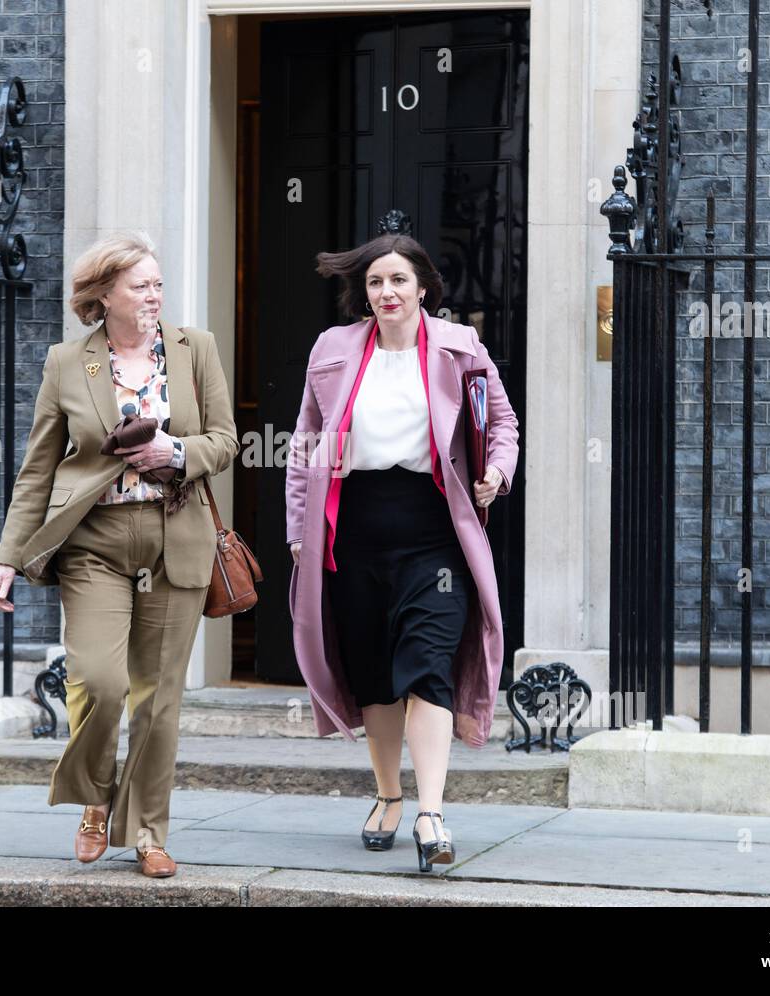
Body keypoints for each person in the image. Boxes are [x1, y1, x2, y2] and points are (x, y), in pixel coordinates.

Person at [0, 232, 238, 878]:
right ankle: (94, 797)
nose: (154, 295)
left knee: (158, 699)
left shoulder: (195, 350)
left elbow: (225, 441)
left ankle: (149, 830)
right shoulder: (68, 363)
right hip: (94, 543)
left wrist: (175, 454)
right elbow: (37, 468)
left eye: (158, 284)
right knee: (99, 683)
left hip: (176, 535)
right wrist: (9, 556)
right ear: (104, 295)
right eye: (140, 286)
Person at [285, 234, 520, 872]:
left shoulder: (459, 347)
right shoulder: (333, 351)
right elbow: (307, 443)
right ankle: (388, 795)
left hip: (434, 528)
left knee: (426, 661)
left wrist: (496, 473)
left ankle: (430, 812)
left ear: (423, 287)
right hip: (354, 527)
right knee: (376, 674)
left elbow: (502, 424)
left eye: (398, 281)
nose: (386, 293)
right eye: (374, 283)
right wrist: (299, 529)